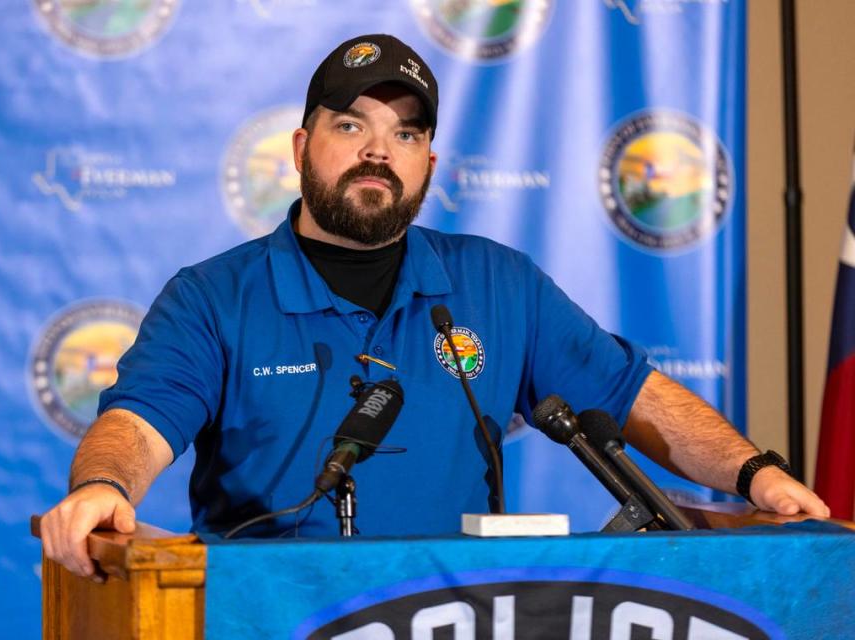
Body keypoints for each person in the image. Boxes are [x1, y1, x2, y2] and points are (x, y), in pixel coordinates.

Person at [40, 34, 829, 581]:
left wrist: (757, 475)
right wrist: (104, 488)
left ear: (430, 163)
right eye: (351, 125)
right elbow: (137, 425)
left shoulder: (496, 284)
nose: (378, 150)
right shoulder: (214, 297)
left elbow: (632, 400)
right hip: (271, 615)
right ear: (299, 147)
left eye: (406, 134)